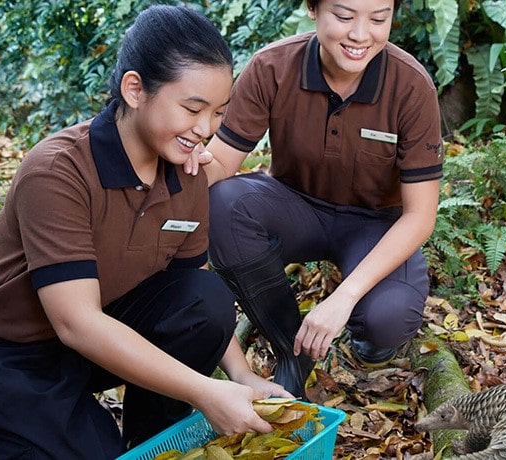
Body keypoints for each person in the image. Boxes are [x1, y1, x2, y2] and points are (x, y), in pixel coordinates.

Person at [0, 5, 290, 459]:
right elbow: (76, 321)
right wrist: (206, 392)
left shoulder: (187, 176)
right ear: (134, 89)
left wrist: (241, 377)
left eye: (219, 112)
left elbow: (195, 295)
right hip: (8, 354)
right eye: (192, 108)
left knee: (205, 296)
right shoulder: (57, 170)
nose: (205, 130)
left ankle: (155, 441)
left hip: (92, 342)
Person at [185, 0, 444, 399]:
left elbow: (420, 216)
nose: (360, 34)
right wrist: (169, 189)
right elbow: (220, 162)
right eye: (343, 16)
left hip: (375, 225)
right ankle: (291, 346)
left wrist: (342, 299)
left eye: (379, 19)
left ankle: (360, 345)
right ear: (312, 7)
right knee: (224, 203)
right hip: (295, 207)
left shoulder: (410, 85)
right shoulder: (273, 67)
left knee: (388, 319)